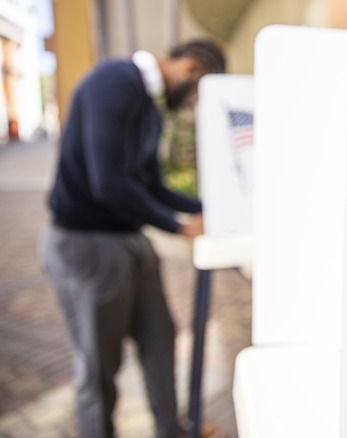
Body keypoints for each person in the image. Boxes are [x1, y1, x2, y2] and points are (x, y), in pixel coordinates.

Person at [41, 40, 225, 438]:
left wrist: (206, 207)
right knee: (99, 365)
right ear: (191, 68)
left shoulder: (147, 102)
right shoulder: (115, 81)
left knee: (161, 339)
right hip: (88, 242)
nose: (194, 103)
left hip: (130, 238)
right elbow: (109, 184)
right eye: (198, 92)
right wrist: (178, 227)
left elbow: (150, 183)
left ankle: (169, 431)